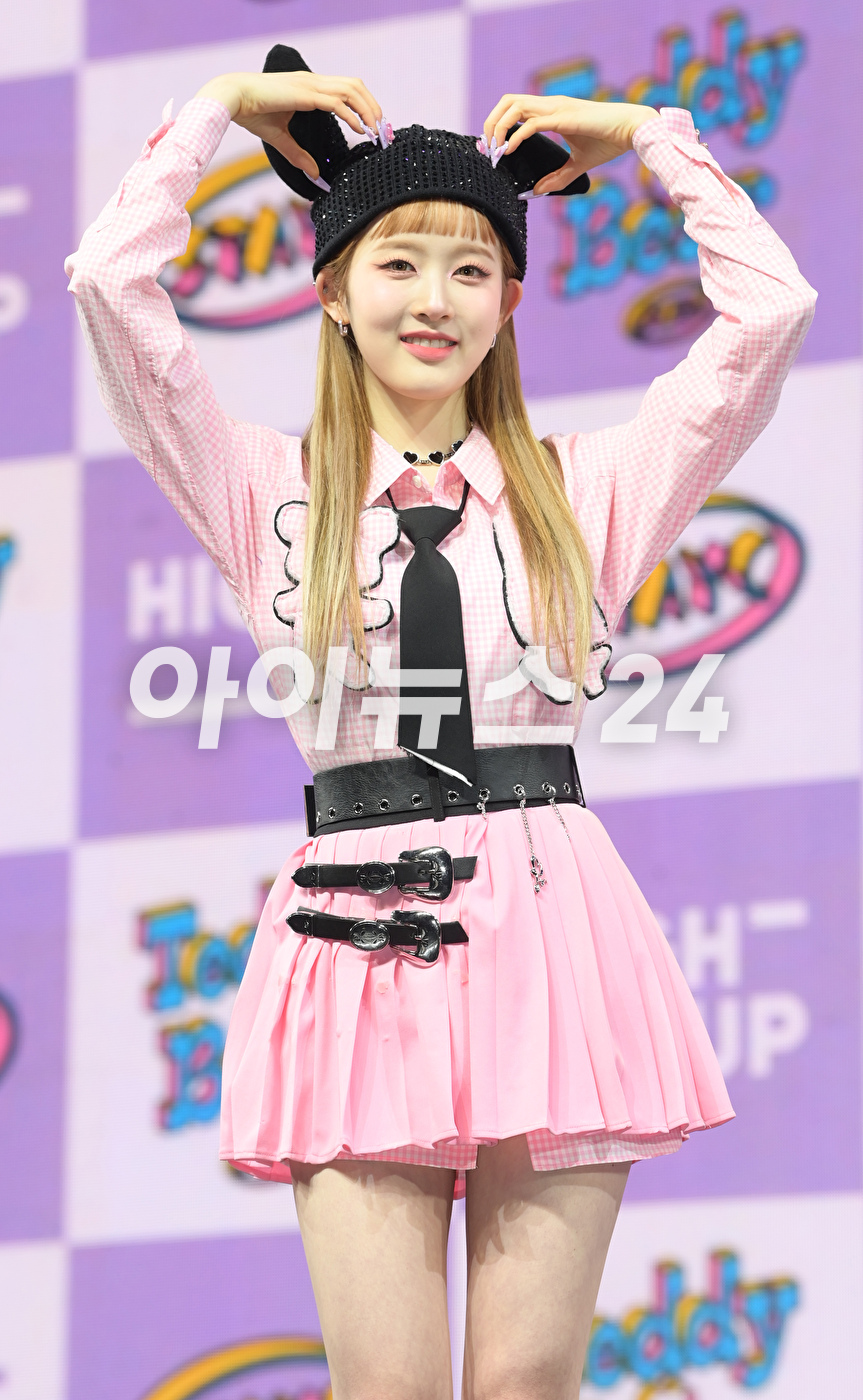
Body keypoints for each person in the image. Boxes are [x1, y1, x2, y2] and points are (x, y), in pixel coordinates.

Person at [65, 48, 816, 1400]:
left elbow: (772, 314)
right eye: (398, 263)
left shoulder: (588, 490)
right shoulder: (263, 491)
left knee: (526, 1383)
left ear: (511, 302)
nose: (434, 299)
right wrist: (220, 111)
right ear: (332, 291)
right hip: (352, 938)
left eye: (472, 269)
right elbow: (112, 289)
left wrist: (653, 135)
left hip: (553, 930)